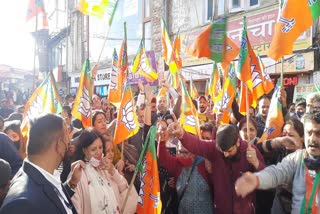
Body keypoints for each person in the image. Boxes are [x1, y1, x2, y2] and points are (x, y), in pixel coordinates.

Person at [169, 122, 266, 214]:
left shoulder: (250, 151)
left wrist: (256, 163)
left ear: (237, 142)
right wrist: (182, 134)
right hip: (221, 210)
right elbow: (197, 145)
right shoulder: (214, 148)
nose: (225, 154)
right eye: (222, 151)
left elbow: (266, 179)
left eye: (229, 151)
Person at [235, 112, 320, 213]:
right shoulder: (297, 158)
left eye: (318, 134)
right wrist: (257, 179)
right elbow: (276, 173)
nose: (313, 139)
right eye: (309, 133)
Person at [0, 113, 84, 214]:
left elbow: (51, 201)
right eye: (67, 137)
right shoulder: (22, 204)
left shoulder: (44, 175)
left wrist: (72, 183)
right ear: (58, 144)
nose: (69, 143)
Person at [71, 127, 137, 214]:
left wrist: (113, 171)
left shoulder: (106, 167)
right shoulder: (78, 173)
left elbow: (125, 189)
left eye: (100, 147)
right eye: (93, 149)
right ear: (84, 150)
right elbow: (75, 207)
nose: (98, 152)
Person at [158, 120, 213, 214]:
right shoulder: (177, 164)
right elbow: (163, 158)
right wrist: (162, 139)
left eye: (185, 152)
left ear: (194, 150)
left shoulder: (206, 163)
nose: (181, 155)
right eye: (180, 152)